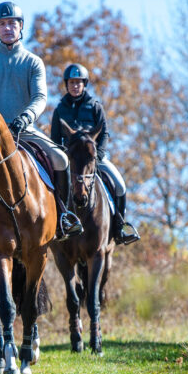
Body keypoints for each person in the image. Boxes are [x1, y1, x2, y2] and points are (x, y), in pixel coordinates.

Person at [0, 1, 82, 252]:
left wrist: (25, 117)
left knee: (61, 160)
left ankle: (63, 217)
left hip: (24, 130)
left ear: (20, 27)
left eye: (12, 23)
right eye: (2, 24)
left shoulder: (33, 62)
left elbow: (40, 97)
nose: (7, 28)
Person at [51, 63, 140, 245]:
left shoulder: (95, 107)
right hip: (70, 163)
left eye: (78, 82)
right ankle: (55, 224)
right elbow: (55, 139)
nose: (75, 86)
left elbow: (104, 134)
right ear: (66, 85)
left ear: (84, 84)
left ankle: (119, 228)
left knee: (120, 186)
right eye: (72, 82)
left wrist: (97, 156)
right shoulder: (59, 110)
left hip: (95, 159)